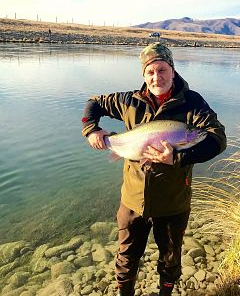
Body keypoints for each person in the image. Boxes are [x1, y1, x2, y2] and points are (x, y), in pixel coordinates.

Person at [81, 42, 226, 296]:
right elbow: (93, 103)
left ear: (172, 70)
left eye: (162, 70)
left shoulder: (192, 103)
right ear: (143, 74)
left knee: (170, 262)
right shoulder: (129, 101)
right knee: (126, 259)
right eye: (150, 72)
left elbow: (217, 139)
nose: (156, 77)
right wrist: (91, 129)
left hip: (172, 204)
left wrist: (178, 158)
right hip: (132, 201)